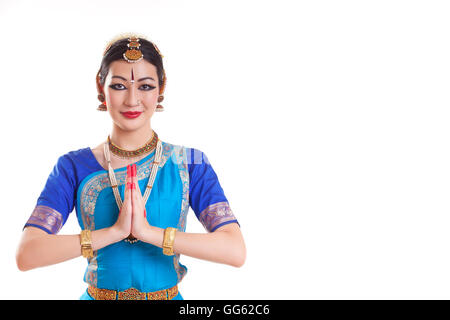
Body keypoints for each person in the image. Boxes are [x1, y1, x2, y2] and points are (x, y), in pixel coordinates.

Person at [15, 33, 246, 300]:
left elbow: (235, 250)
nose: (133, 100)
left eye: (146, 86)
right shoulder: (73, 167)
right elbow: (27, 254)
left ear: (162, 87)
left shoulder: (191, 162)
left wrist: (150, 233)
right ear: (101, 87)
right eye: (119, 86)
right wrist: (113, 233)